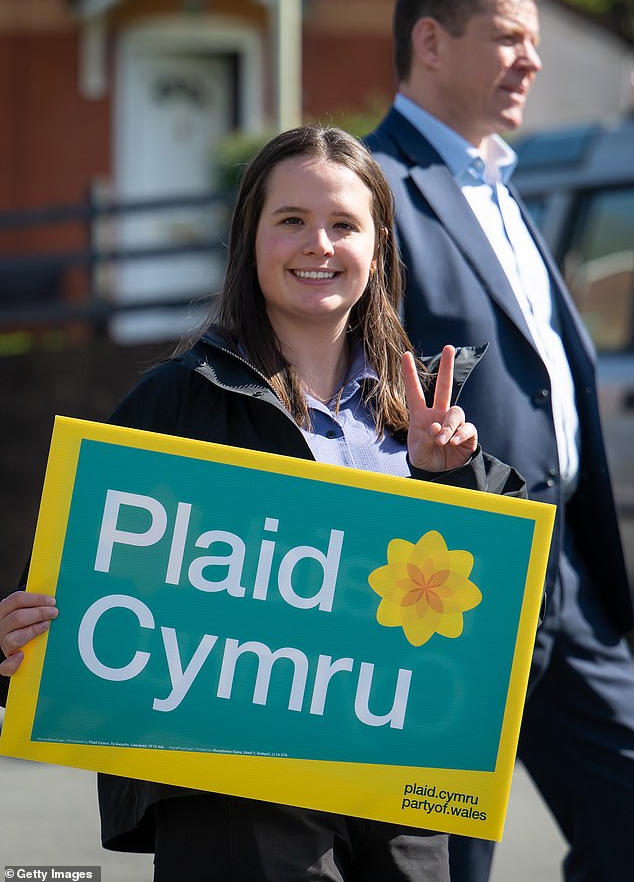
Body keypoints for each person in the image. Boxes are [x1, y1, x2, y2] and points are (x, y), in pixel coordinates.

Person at [0, 124, 526, 881]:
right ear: (251, 240)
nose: (319, 244)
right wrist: (21, 631)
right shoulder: (174, 401)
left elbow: (514, 616)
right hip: (234, 805)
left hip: (397, 802)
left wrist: (453, 481)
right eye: (292, 222)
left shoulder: (424, 414)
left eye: (344, 224)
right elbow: (70, 590)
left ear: (377, 247)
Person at [365, 0, 634, 882]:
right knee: (445, 863)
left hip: (567, 576)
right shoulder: (369, 192)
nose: (533, 60)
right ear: (431, 41)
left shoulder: (500, 186)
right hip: (448, 579)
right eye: (510, 38)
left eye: (535, 42)